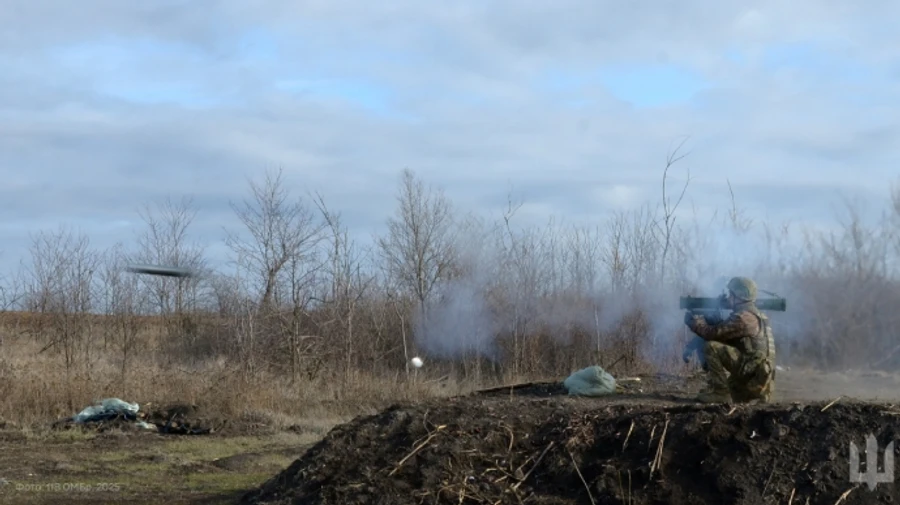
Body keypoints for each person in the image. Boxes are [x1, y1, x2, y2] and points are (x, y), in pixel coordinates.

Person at [683, 276, 776, 403]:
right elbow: (732, 339)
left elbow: (713, 334)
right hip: (761, 378)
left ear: (739, 297)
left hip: (752, 373)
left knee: (711, 346)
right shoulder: (758, 316)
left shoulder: (744, 318)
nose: (728, 298)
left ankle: (721, 393)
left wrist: (694, 323)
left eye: (731, 295)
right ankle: (744, 392)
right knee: (734, 394)